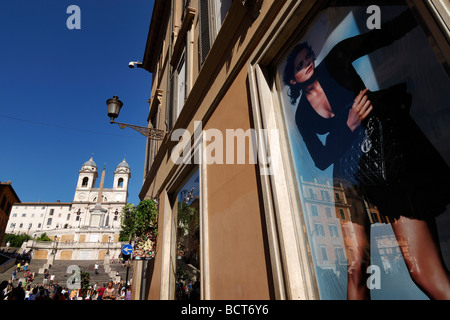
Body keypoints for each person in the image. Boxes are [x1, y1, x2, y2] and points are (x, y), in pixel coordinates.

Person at [283, 9, 450, 300]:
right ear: (293, 80)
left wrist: (423, 11)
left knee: (421, 271)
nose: (307, 63)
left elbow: (383, 35)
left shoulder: (336, 59)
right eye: (299, 64)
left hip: (384, 154)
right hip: (347, 179)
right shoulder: (302, 117)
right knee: (356, 269)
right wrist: (347, 126)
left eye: (307, 57)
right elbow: (321, 159)